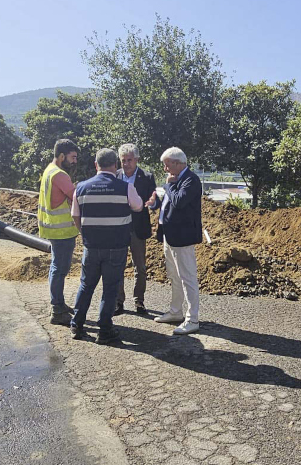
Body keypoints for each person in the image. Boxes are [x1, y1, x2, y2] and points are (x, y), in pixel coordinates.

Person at [70, 148, 143, 344]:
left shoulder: (81, 188)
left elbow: (75, 215)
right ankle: (105, 330)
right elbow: (138, 206)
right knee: (110, 288)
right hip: (116, 246)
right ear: (116, 165)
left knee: (86, 286)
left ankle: (77, 325)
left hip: (91, 246)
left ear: (96, 165)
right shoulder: (124, 188)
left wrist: (85, 233)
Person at [149, 147, 202, 335]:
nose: (165, 169)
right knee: (174, 275)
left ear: (178, 163)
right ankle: (176, 311)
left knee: (188, 277)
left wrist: (169, 186)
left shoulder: (191, 180)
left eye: (167, 164)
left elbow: (180, 201)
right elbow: (169, 203)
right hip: (169, 235)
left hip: (183, 236)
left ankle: (192, 319)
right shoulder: (176, 179)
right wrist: (156, 203)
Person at [38, 139, 79, 326]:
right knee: (59, 269)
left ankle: (59, 303)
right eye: (72, 157)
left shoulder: (49, 170)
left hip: (52, 228)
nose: (74, 161)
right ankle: (57, 310)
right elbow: (75, 196)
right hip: (62, 231)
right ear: (62, 156)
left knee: (56, 268)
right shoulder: (61, 175)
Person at [114, 144, 157, 317]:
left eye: (129, 160)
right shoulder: (115, 176)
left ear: (137, 159)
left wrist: (153, 203)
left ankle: (139, 300)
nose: (126, 164)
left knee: (140, 266)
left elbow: (153, 199)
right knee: (118, 266)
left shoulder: (146, 177)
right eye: (123, 160)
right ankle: (118, 301)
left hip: (138, 229)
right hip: (118, 228)